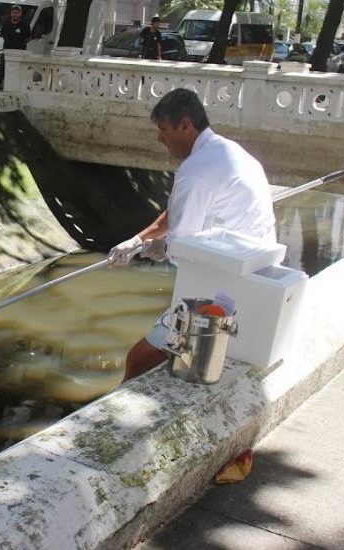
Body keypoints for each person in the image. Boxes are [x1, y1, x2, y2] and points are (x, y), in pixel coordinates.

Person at [108, 88, 276, 382]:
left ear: (185, 125)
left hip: (223, 286)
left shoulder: (195, 170)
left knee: (139, 359)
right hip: (253, 271)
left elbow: (181, 246)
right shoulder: (227, 152)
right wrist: (138, 239)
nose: (160, 138)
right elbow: (175, 213)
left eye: (163, 129)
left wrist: (160, 249)